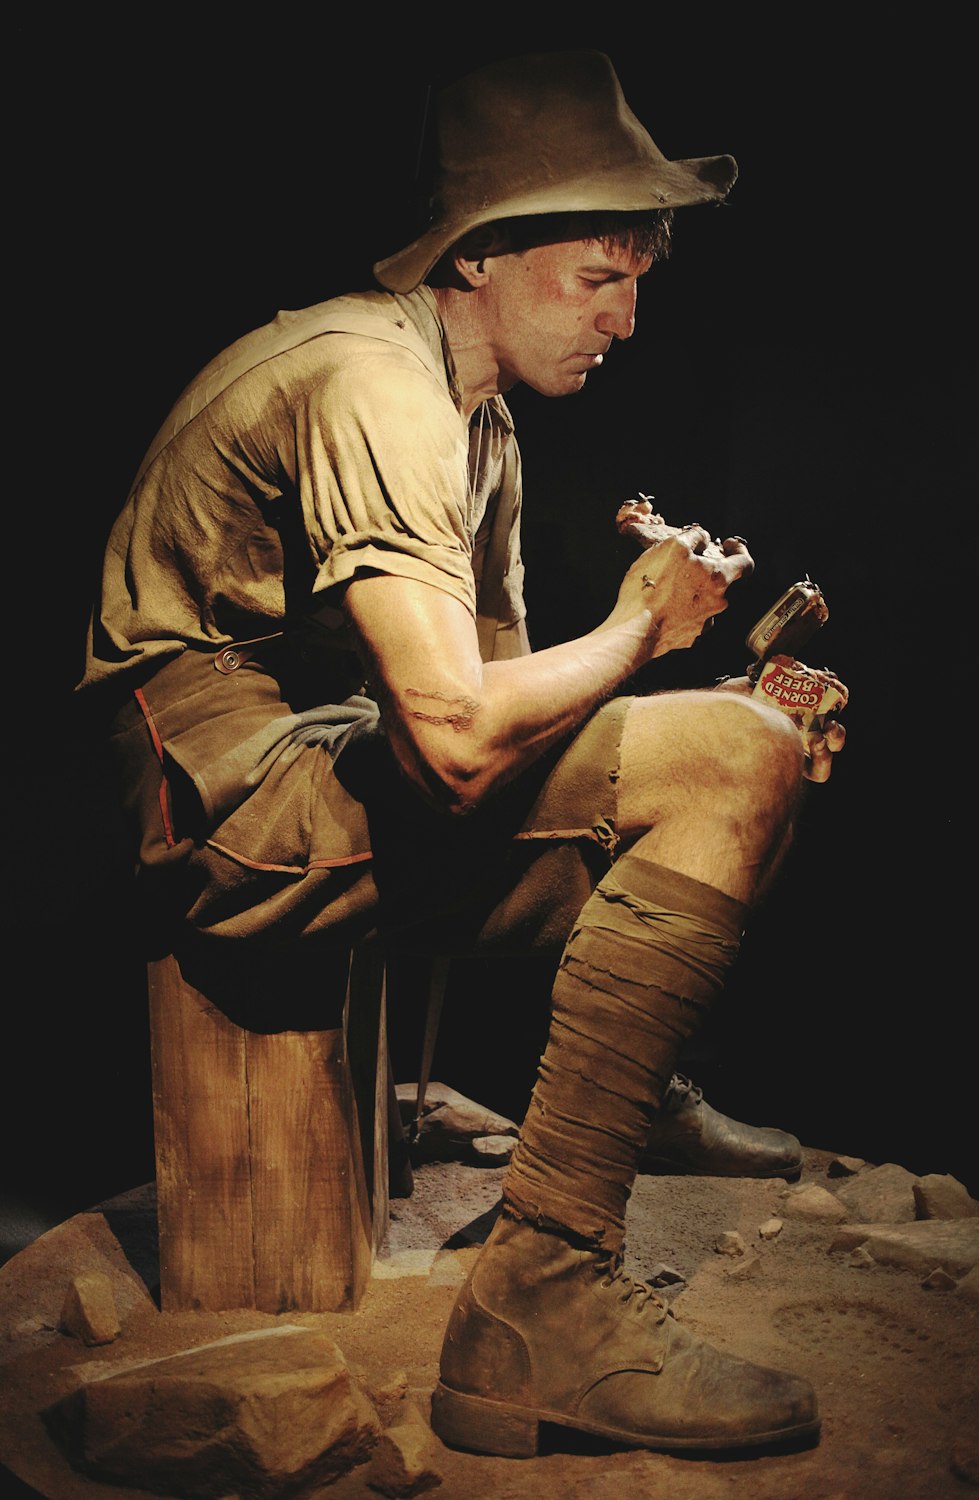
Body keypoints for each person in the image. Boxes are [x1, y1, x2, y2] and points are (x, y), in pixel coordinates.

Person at [78, 50, 847, 1457]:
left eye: (639, 279)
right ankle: (546, 1300)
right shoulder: (374, 383)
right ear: (484, 255)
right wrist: (637, 638)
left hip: (303, 766)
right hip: (209, 802)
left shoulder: (471, 419)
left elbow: (493, 710)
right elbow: (449, 737)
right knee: (727, 763)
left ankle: (635, 1089)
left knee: (747, 754)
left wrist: (694, 685)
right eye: (596, 276)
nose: (626, 315)